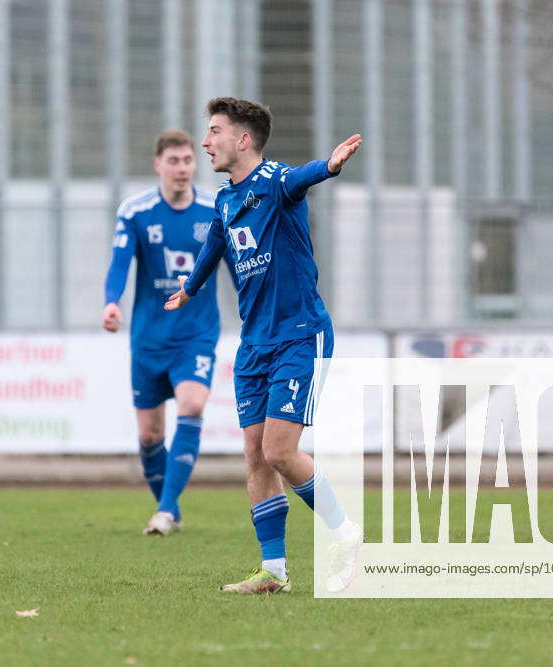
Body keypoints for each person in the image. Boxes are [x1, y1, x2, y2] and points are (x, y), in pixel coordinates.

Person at [166, 97, 362, 593]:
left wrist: (330, 167)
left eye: (214, 132)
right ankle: (273, 572)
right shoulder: (227, 200)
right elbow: (214, 247)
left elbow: (302, 178)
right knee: (255, 455)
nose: (206, 142)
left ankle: (345, 532)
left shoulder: (275, 181)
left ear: (242, 139)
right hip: (255, 342)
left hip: (299, 334)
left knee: (279, 450)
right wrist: (189, 286)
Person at [103, 130, 228, 536]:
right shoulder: (136, 211)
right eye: (173, 161)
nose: (182, 168)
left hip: (196, 334)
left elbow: (237, 265)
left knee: (192, 405)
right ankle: (167, 507)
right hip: (148, 337)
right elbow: (120, 262)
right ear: (158, 164)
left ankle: (167, 510)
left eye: (188, 160)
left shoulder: (216, 208)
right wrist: (111, 301)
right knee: (149, 435)